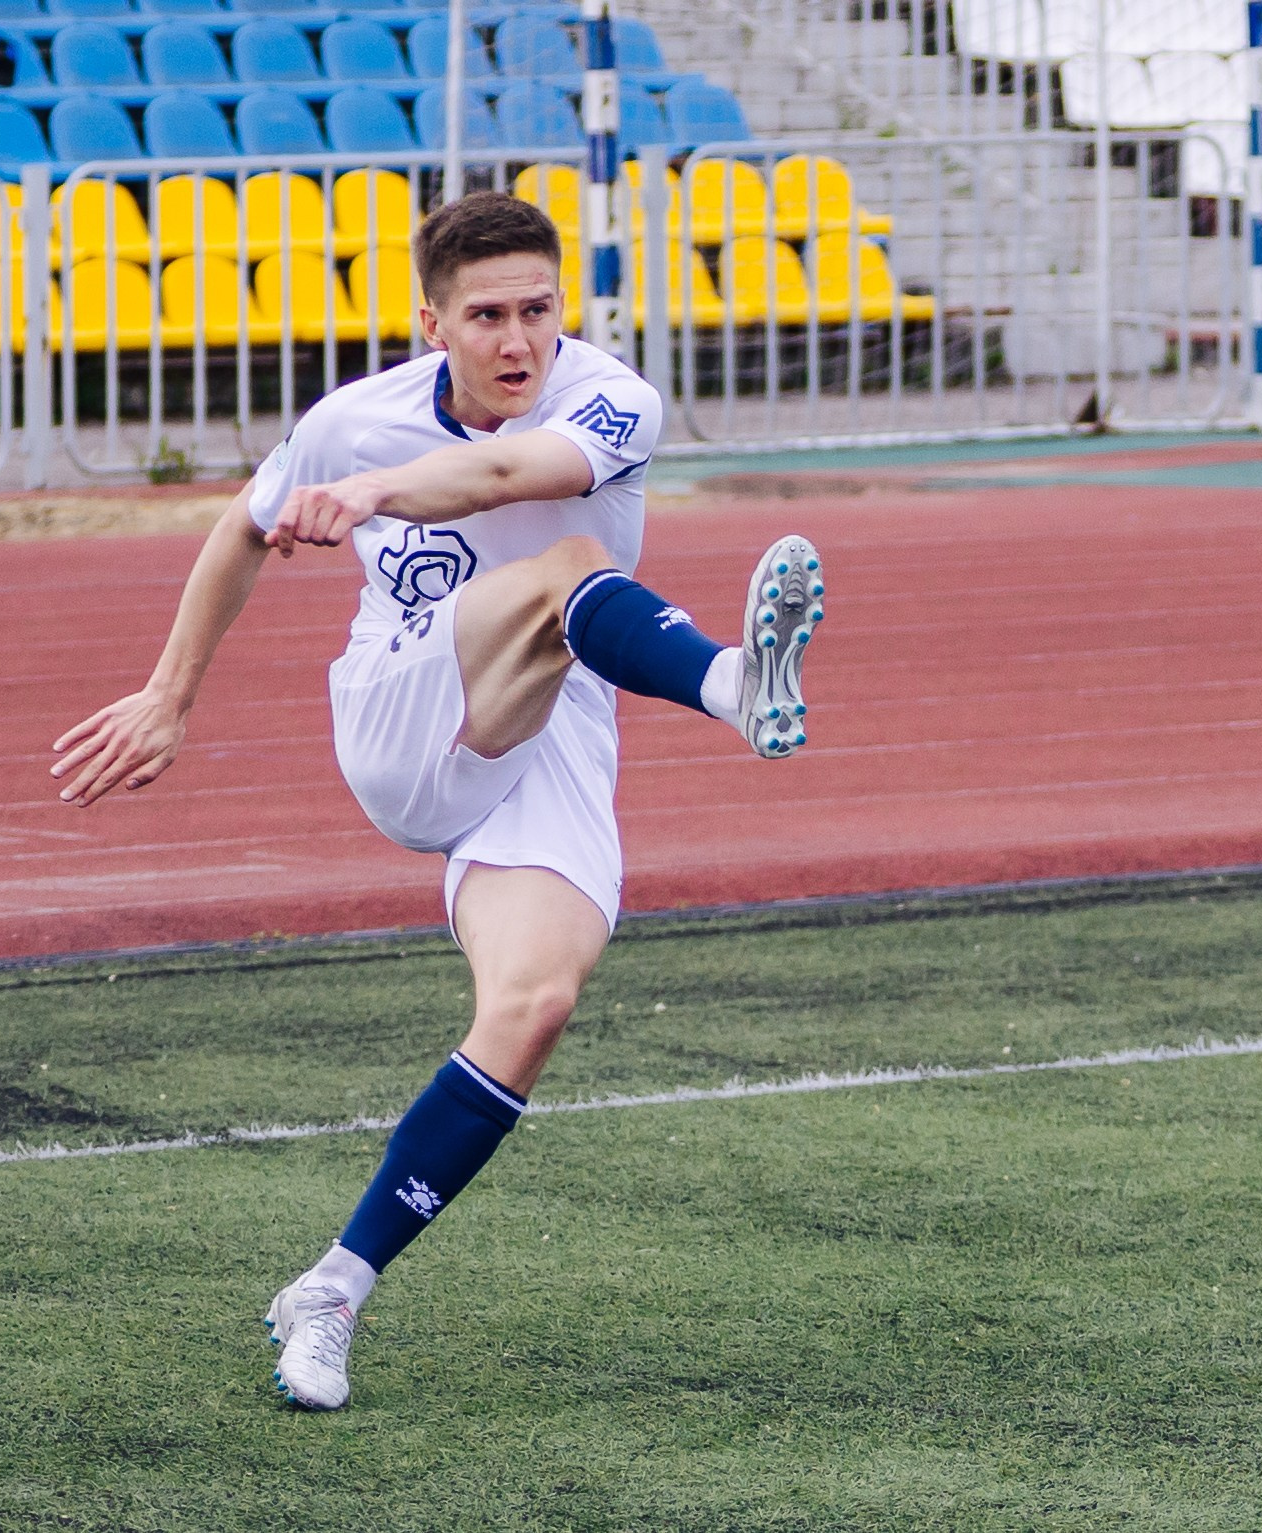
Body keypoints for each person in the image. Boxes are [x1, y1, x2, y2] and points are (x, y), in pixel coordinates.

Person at [46, 193, 824, 1411]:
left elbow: (508, 471)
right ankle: (734, 681)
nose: (520, 341)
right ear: (432, 322)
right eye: (488, 316)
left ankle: (332, 1291)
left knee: (535, 1001)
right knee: (566, 569)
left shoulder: (611, 397)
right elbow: (240, 531)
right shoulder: (347, 421)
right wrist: (168, 695)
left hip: (550, 727)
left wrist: (376, 496)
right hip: (402, 714)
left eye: (538, 310)